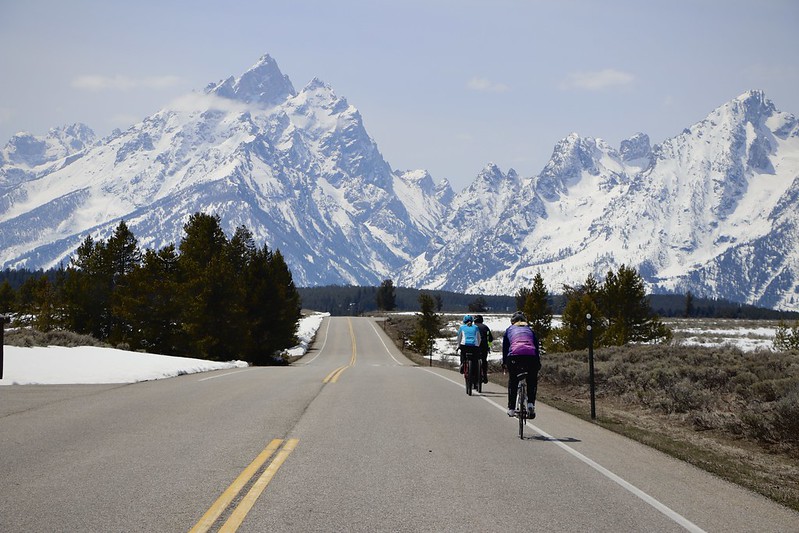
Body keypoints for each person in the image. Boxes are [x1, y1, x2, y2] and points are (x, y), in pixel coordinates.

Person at [502, 311, 541, 418]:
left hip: (514, 356)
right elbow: (536, 348)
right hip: (531, 357)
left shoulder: (509, 330)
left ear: (512, 322)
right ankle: (530, 403)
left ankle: (511, 408)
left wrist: (504, 363)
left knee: (513, 380)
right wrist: (537, 363)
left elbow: (505, 348)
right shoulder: (530, 330)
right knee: (532, 380)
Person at [473, 315, 493, 383]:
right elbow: (490, 338)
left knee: (474, 360)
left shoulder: (472, 327)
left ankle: (473, 375)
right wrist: (489, 346)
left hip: (474, 346)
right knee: (484, 360)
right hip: (484, 346)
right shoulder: (485, 327)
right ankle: (484, 375)